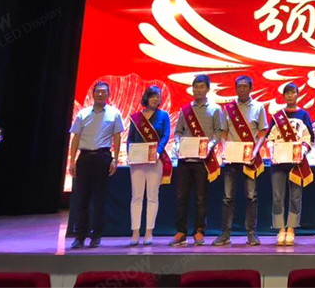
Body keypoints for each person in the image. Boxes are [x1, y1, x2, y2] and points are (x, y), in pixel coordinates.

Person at [68, 80, 124, 249]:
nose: (100, 94)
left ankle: (96, 235)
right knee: (82, 199)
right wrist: (72, 161)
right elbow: (76, 138)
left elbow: (117, 137)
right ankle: (80, 236)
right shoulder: (83, 114)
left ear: (108, 94)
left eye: (103, 91)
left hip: (103, 157)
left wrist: (115, 159)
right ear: (92, 94)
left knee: (100, 199)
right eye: (97, 91)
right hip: (84, 157)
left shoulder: (114, 113)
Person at [214, 75, 267, 247]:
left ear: (251, 88)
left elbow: (262, 133)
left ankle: (251, 233)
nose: (242, 89)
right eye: (239, 86)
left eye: (245, 86)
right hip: (231, 158)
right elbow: (223, 132)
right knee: (227, 197)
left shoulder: (258, 107)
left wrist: (256, 151)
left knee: (251, 196)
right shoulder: (228, 109)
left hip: (249, 159)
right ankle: (225, 234)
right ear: (235, 88)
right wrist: (223, 149)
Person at [170, 74, 223, 247]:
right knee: (181, 197)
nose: (198, 90)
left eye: (201, 87)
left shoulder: (215, 109)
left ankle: (199, 231)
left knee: (201, 198)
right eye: (195, 87)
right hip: (185, 160)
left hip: (202, 161)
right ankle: (181, 231)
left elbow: (218, 132)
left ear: (208, 89)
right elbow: (178, 132)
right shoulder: (185, 110)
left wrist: (209, 146)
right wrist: (178, 144)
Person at [268, 83, 313, 246]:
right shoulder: (277, 116)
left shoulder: (304, 115)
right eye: (287, 93)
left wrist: (302, 151)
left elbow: (309, 139)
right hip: (278, 163)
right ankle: (280, 228)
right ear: (283, 96)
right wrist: (272, 152)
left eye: (293, 92)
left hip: (296, 163)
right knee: (277, 196)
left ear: (297, 94)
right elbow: (270, 138)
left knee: (295, 196)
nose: (290, 95)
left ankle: (291, 228)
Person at [127, 85, 171, 246]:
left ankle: (149, 232)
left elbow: (166, 135)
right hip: (137, 161)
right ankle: (135, 232)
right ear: (147, 97)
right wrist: (130, 153)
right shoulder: (136, 117)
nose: (155, 99)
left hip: (155, 161)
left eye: (158, 96)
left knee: (152, 197)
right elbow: (130, 138)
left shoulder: (163, 115)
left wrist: (158, 151)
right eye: (152, 96)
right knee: (136, 197)